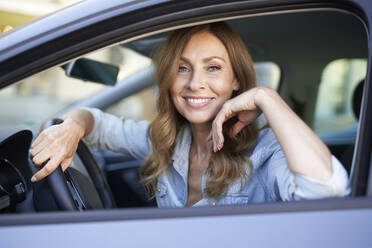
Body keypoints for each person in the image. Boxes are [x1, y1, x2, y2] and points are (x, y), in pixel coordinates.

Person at [30, 22, 349, 207]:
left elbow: (327, 189)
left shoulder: (265, 152)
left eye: (213, 68)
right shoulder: (163, 141)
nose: (195, 83)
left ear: (236, 80)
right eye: (182, 68)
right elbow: (96, 122)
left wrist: (267, 97)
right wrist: (70, 128)